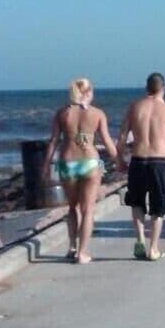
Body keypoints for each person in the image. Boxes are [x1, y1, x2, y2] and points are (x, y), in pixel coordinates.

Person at [41, 77, 119, 264]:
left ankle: (72, 247)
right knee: (88, 209)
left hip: (67, 163)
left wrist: (45, 165)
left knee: (72, 207)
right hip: (90, 162)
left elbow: (53, 141)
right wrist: (119, 161)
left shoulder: (62, 113)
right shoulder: (97, 114)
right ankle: (82, 253)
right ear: (87, 92)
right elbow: (107, 140)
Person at [118, 72, 165, 261]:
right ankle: (153, 248)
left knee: (136, 203)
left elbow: (122, 137)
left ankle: (140, 240)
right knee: (158, 206)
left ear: (146, 88)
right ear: (163, 88)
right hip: (158, 162)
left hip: (138, 160)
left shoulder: (134, 107)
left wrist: (119, 160)